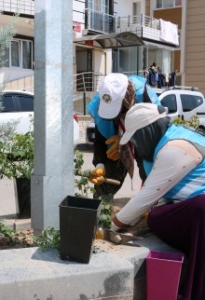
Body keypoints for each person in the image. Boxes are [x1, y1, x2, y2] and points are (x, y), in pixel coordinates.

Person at [110, 102, 205, 300]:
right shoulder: (179, 135)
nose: (134, 145)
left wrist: (112, 224)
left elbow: (144, 200)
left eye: (135, 139)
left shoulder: (174, 150)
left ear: (146, 132)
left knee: (156, 217)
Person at [87, 73, 160, 198]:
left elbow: (154, 137)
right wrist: (100, 165)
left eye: (115, 109)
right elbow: (100, 140)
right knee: (105, 183)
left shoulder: (146, 99)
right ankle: (100, 205)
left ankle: (152, 204)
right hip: (118, 146)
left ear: (125, 98)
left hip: (144, 144)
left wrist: (126, 139)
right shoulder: (101, 103)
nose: (113, 116)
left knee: (149, 173)